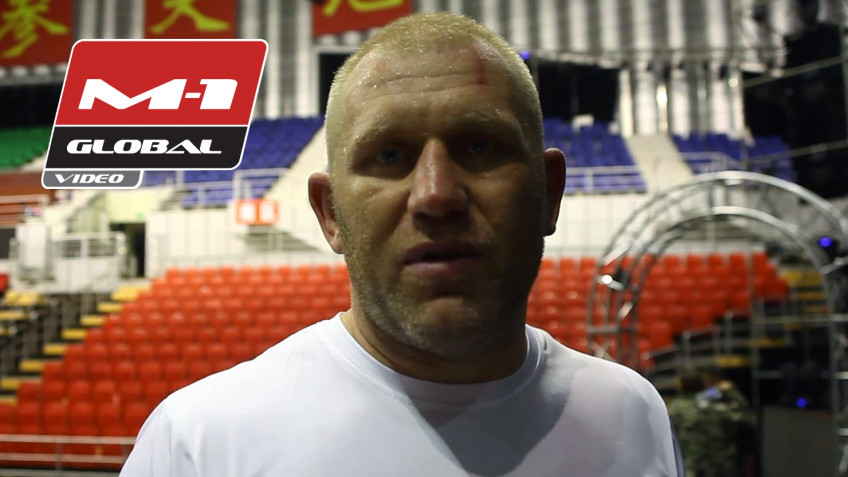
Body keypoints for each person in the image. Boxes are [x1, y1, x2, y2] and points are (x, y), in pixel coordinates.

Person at [120, 12, 683, 476]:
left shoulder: (633, 413)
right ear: (330, 213)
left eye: (479, 146)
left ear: (549, 194)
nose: (436, 195)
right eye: (389, 156)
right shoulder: (198, 442)